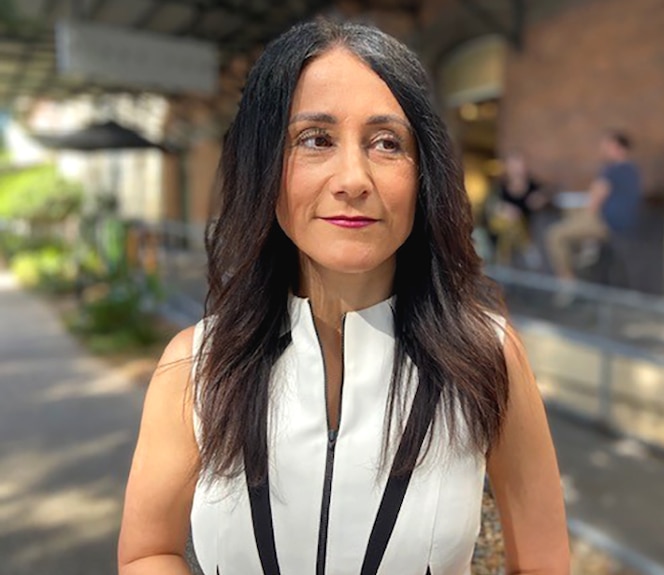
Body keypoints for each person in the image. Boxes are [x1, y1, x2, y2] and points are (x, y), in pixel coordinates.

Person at [117, 19, 569, 575]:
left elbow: (543, 563)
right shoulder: (196, 366)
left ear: (422, 173)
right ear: (265, 168)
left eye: (386, 143)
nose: (353, 178)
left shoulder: (488, 356)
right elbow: (148, 552)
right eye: (315, 139)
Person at [546, 131, 642, 285]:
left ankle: (568, 283)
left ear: (618, 147)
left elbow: (594, 201)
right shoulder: (634, 171)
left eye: (607, 146)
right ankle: (587, 249)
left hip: (606, 225)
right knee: (573, 220)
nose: (603, 151)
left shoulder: (612, 170)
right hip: (625, 228)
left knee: (555, 235)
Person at [486, 152, 548, 267]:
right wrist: (503, 209)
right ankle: (526, 249)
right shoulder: (500, 187)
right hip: (505, 230)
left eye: (520, 164)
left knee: (512, 223)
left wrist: (541, 200)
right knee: (507, 223)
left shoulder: (533, 186)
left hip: (528, 228)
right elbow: (491, 207)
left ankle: (504, 261)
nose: (517, 169)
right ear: (508, 168)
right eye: (513, 165)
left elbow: (546, 198)